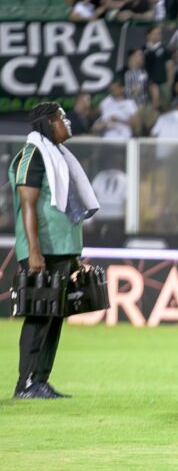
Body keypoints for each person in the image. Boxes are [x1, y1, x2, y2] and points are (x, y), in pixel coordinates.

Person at [10, 102, 100, 399]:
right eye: (62, 117)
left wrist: (73, 256)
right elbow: (27, 203)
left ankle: (41, 379)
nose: (67, 122)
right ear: (48, 122)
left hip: (61, 249)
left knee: (55, 314)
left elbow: (64, 210)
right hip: (42, 250)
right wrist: (34, 250)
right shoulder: (32, 154)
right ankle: (25, 383)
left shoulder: (57, 156)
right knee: (39, 314)